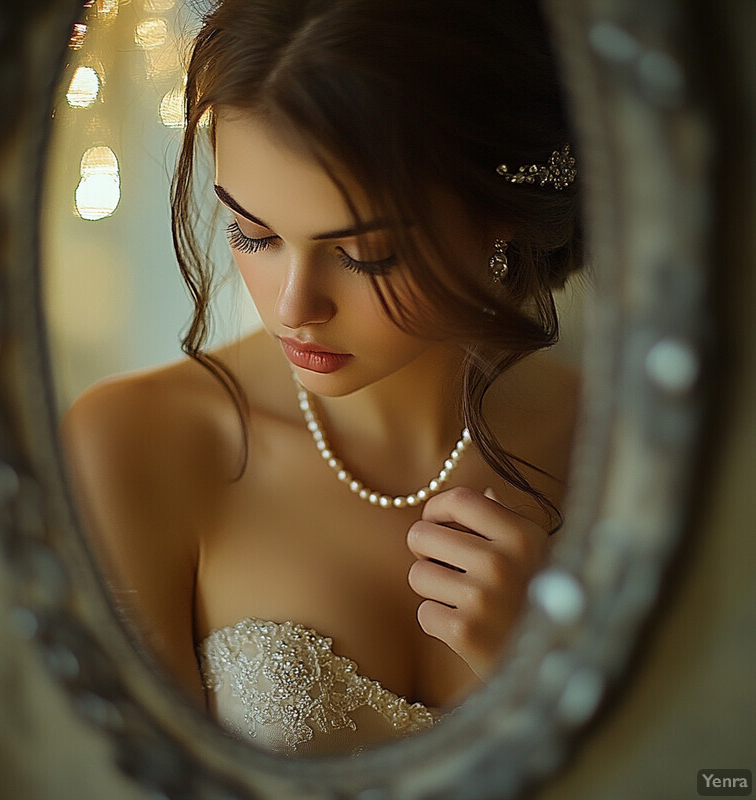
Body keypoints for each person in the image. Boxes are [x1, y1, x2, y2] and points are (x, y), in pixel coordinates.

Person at [60, 0, 584, 757]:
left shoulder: (623, 447)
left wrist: (554, 684)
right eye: (253, 234)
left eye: (364, 254)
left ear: (499, 215)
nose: (292, 306)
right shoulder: (133, 448)